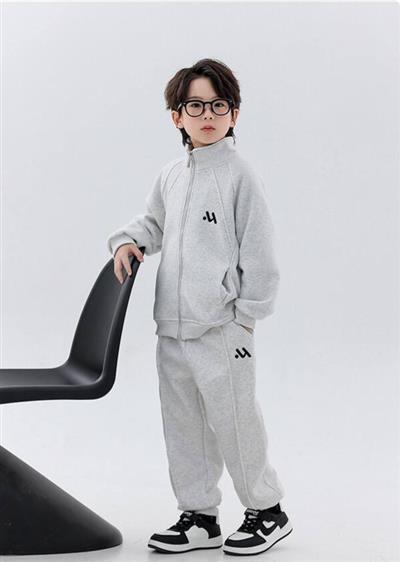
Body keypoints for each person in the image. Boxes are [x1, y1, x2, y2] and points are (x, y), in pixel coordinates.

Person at [106, 58, 293, 556]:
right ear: (177, 116)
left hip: (222, 327)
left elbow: (259, 251)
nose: (207, 114)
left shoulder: (240, 176)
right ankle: (199, 517)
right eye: (195, 105)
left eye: (218, 105)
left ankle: (267, 511)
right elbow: (154, 223)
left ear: (234, 114)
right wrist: (127, 240)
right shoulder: (172, 175)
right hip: (172, 328)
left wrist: (246, 317)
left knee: (235, 421)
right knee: (183, 426)